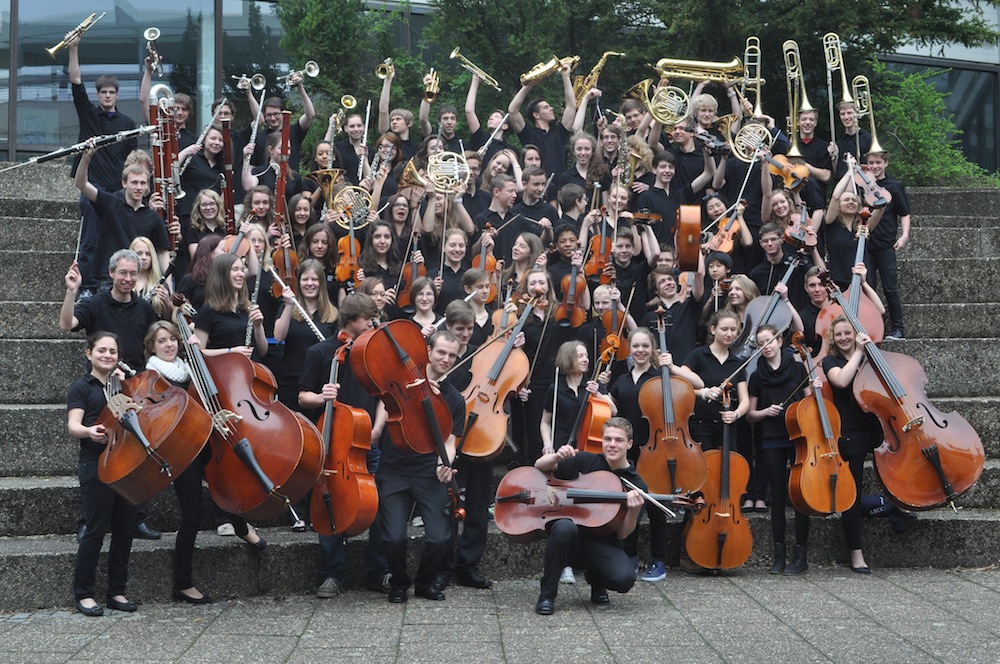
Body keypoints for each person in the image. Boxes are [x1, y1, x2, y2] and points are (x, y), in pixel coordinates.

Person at [298, 293, 382, 598]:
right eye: (367, 319)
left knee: (378, 509)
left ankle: (379, 572)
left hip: (366, 442)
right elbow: (302, 396)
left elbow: (383, 396)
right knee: (328, 504)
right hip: (331, 444)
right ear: (351, 320)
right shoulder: (320, 353)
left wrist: (378, 428)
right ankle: (332, 574)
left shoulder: (372, 353)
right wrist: (323, 397)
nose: (372, 324)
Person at [379, 331, 467, 603]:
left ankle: (424, 583)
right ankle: (398, 582)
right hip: (393, 468)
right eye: (441, 352)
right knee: (393, 537)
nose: (446, 359)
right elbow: (385, 398)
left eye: (452, 355)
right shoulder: (406, 380)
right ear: (428, 351)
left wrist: (444, 462)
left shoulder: (454, 399)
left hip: (428, 470)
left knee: (440, 538)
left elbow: (450, 440)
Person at [532, 418, 646, 615]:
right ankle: (547, 595)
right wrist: (557, 457)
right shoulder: (586, 460)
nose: (612, 445)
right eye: (607, 439)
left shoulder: (636, 484)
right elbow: (538, 466)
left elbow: (622, 534)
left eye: (618, 440)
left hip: (604, 544)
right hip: (572, 538)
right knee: (563, 526)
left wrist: (634, 511)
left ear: (629, 444)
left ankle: (597, 580)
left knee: (624, 578)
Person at [67, 332, 139, 616]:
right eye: (101, 351)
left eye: (112, 351)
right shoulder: (81, 388)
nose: (107, 355)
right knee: (95, 530)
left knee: (125, 530)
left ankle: (116, 592)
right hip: (95, 463)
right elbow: (73, 425)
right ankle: (83, 594)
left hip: (126, 463)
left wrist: (125, 386)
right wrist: (89, 431)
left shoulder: (123, 385)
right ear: (89, 354)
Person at [143, 321, 213, 604]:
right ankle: (183, 583)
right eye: (162, 341)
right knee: (192, 516)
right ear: (152, 347)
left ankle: (242, 527)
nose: (170, 344)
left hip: (204, 440)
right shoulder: (151, 376)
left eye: (173, 339)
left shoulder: (188, 368)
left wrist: (200, 354)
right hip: (180, 452)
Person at [67, 33, 138, 294]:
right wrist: (73, 49)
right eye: (103, 92)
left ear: (117, 95)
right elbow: (76, 82)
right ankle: (86, 287)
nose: (107, 96)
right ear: (99, 95)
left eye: (112, 92)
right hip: (92, 187)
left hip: (116, 192)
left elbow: (132, 161)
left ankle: (117, 284)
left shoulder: (128, 125)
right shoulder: (89, 116)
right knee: (89, 240)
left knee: (118, 239)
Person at [746, 325, 813, 575]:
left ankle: (800, 555)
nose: (767, 345)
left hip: (799, 436)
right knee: (777, 496)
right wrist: (766, 412)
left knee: (800, 495)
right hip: (771, 436)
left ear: (779, 340)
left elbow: (809, 402)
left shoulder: (797, 367)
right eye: (761, 342)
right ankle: (779, 556)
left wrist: (815, 388)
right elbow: (751, 415)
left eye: (770, 340)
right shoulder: (756, 375)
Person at [821, 316, 880, 573]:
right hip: (850, 432)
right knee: (852, 494)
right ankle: (856, 554)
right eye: (839, 334)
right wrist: (858, 351)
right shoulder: (830, 362)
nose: (844, 337)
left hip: (877, 428)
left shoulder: (870, 358)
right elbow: (842, 381)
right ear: (833, 339)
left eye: (849, 333)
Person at [75, 142, 172, 290]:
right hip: (111, 279)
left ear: (147, 186)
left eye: (142, 183)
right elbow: (82, 184)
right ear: (124, 183)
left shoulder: (153, 217)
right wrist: (86, 157)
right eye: (134, 182)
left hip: (142, 281)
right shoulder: (110, 203)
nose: (139, 187)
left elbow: (163, 253)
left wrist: (169, 287)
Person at [863, 151, 911, 340]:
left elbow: (904, 212)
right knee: (869, 289)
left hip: (885, 245)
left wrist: (904, 235)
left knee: (890, 288)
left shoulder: (894, 186)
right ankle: (873, 329)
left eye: (878, 163)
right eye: (871, 163)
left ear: (886, 164)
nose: (874, 166)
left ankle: (898, 328)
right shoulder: (862, 185)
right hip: (865, 244)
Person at [508, 61, 578, 180]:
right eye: (546, 107)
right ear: (536, 114)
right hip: (536, 185)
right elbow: (512, 110)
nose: (551, 109)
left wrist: (565, 76)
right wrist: (529, 84)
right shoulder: (528, 134)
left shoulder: (559, 132)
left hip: (559, 187)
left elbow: (571, 106)